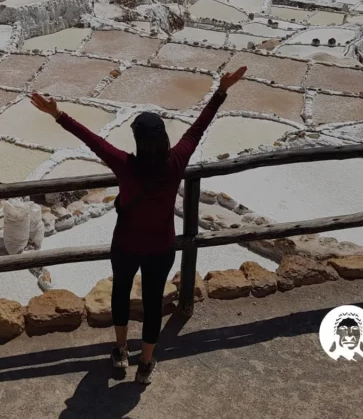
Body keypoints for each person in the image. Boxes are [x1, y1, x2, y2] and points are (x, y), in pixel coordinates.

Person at [30, 66, 247, 385]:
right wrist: (222, 90)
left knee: (120, 294)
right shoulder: (177, 161)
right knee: (153, 303)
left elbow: (93, 141)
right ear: (163, 138)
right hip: (161, 248)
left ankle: (120, 351)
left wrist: (57, 114)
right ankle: (145, 363)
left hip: (126, 245)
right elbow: (198, 128)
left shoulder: (125, 165)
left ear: (138, 140)